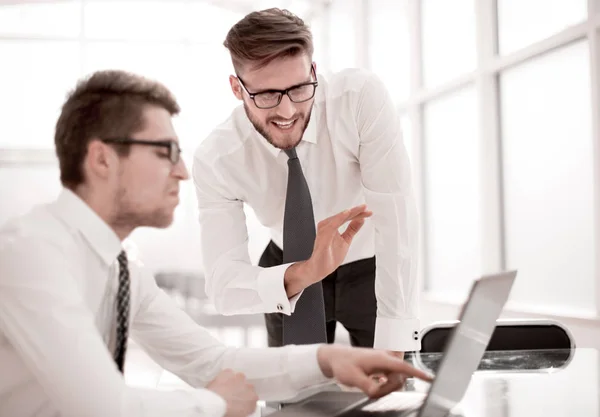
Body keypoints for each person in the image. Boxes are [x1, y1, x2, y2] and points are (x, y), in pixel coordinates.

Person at [0, 70, 431, 417]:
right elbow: (103, 406)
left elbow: (210, 361)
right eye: (165, 151)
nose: (183, 172)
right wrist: (216, 405)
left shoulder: (121, 267)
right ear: (101, 159)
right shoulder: (32, 254)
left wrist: (328, 361)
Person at [193, 8, 420, 355]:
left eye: (299, 88)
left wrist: (395, 338)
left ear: (314, 71)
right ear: (237, 89)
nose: (286, 112)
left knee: (392, 394)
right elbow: (224, 286)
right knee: (297, 401)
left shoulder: (359, 99)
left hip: (374, 265)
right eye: (266, 95)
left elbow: (396, 217)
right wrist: (302, 274)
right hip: (286, 270)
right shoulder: (218, 158)